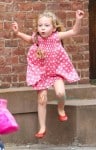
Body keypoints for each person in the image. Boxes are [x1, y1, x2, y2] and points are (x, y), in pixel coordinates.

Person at [12, 9, 84, 138]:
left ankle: (61, 109)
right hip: (42, 72)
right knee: (42, 99)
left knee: (60, 93)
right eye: (40, 26)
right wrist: (17, 33)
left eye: (46, 25)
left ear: (54, 28)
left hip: (56, 72)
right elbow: (28, 38)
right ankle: (42, 127)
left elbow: (74, 31)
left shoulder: (56, 37)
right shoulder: (37, 38)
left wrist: (78, 19)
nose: (43, 28)